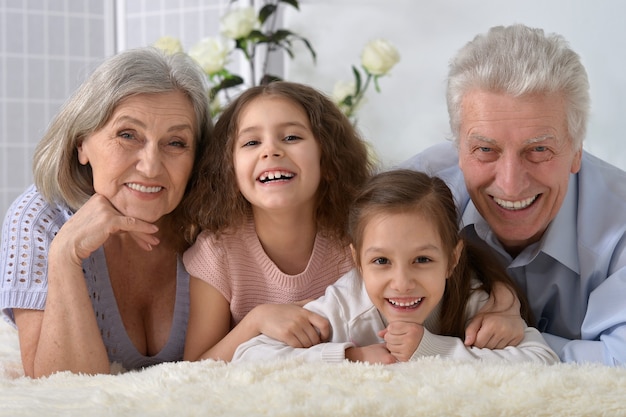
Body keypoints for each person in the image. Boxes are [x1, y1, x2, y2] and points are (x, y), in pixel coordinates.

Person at [402, 24, 626, 366]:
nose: (510, 184)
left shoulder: (620, 224)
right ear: (458, 148)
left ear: (576, 150)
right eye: (485, 149)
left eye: (538, 149)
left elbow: (620, 361)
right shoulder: (410, 198)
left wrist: (517, 339)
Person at [0, 47, 213, 377]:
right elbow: (58, 388)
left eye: (176, 143)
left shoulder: (211, 224)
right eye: (128, 135)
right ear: (81, 143)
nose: (151, 166)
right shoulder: (38, 218)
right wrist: (65, 254)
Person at [232, 169, 559, 364]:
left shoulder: (472, 299)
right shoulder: (346, 306)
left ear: (452, 259)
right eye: (381, 262)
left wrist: (431, 349)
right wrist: (351, 358)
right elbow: (251, 356)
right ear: (358, 261)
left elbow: (542, 359)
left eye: (422, 260)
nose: (401, 282)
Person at [181, 81, 375, 362]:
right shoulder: (217, 253)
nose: (270, 151)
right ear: (229, 171)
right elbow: (195, 367)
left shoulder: (358, 240)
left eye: (291, 138)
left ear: (329, 161)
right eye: (251, 142)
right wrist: (256, 321)